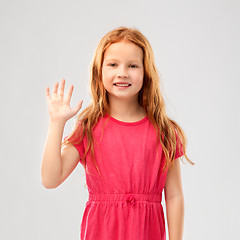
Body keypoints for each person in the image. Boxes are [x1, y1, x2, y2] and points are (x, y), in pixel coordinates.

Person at [41, 26, 194, 240]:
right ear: (99, 71)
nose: (122, 72)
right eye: (113, 64)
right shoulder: (89, 127)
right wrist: (56, 123)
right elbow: (50, 179)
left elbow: (174, 195)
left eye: (132, 65)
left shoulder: (164, 131)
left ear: (145, 72)